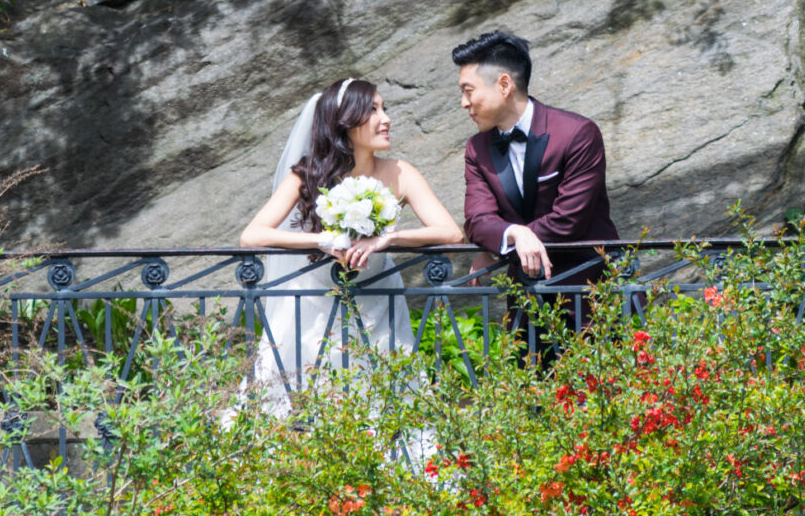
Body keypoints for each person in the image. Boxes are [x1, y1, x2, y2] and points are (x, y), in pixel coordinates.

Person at [238, 78, 463, 415]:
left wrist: (389, 239)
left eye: (384, 109)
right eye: (372, 110)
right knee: (305, 393)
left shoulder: (400, 173)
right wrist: (324, 241)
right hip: (313, 301)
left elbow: (450, 232)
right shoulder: (306, 175)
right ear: (344, 121)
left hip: (378, 299)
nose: (385, 118)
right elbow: (252, 236)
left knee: (382, 394)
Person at [454, 31, 618, 341]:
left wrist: (502, 251)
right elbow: (477, 220)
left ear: (504, 85)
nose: (464, 103)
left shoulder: (577, 133)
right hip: (526, 310)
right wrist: (514, 233)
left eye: (468, 91)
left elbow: (570, 219)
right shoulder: (476, 148)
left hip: (591, 301)